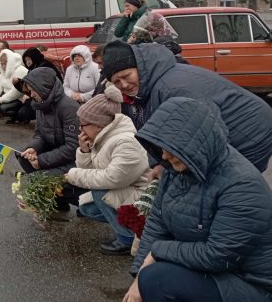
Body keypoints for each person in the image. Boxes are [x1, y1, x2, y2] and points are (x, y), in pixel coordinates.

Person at [124, 97, 272, 302]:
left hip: (252, 283)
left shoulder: (242, 186)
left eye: (170, 148)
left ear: (193, 144)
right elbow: (157, 225)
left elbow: (217, 255)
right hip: (219, 273)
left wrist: (157, 252)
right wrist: (137, 278)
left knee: (157, 279)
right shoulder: (178, 169)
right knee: (148, 278)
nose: (164, 156)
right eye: (161, 146)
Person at [102, 40, 272, 172]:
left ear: (139, 67)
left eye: (126, 75)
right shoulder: (150, 88)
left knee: (230, 189)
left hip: (249, 134)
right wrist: (162, 164)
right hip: (240, 130)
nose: (123, 85)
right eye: (116, 81)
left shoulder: (171, 88)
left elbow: (210, 134)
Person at [65, 83, 149, 255]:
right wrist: (84, 151)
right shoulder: (104, 136)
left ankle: (127, 239)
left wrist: (73, 175)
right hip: (127, 192)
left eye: (84, 125)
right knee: (88, 209)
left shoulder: (125, 141)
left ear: (98, 124)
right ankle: (130, 229)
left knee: (99, 191)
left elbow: (112, 178)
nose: (80, 130)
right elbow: (92, 169)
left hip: (142, 196)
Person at [16, 67, 84, 209]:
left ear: (45, 88)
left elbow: (73, 148)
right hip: (58, 152)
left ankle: (81, 202)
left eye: (33, 90)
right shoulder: (41, 104)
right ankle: (57, 201)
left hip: (76, 161)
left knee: (43, 176)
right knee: (23, 156)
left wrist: (42, 160)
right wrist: (33, 148)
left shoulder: (69, 108)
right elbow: (40, 134)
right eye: (29, 90)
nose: (31, 94)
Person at [16, 47, 64, 123]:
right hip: (39, 96)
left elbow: (41, 88)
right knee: (21, 111)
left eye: (29, 59)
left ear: (34, 57)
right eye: (25, 60)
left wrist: (28, 96)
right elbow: (30, 86)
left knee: (23, 112)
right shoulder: (33, 68)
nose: (27, 62)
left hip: (50, 96)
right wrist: (17, 83)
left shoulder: (44, 66)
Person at [0, 49, 29, 121]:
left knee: (2, 108)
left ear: (10, 62)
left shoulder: (20, 70)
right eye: (2, 64)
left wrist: (0, 100)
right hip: (8, 96)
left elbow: (16, 92)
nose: (3, 66)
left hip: (20, 98)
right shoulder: (6, 70)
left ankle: (19, 114)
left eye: (5, 64)